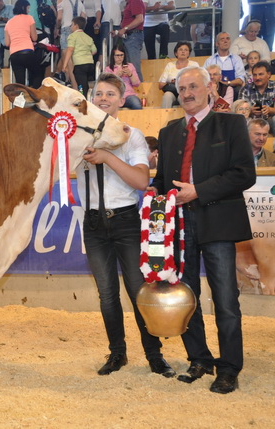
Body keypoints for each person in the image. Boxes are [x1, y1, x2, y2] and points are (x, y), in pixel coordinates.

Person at [150, 66, 255, 394]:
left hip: (219, 223)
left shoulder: (233, 124)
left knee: (225, 299)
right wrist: (151, 196)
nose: (187, 94)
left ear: (210, 87)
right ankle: (199, 358)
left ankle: (229, 368)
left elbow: (244, 174)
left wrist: (198, 191)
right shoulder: (168, 132)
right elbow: (162, 181)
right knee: (186, 296)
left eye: (194, 87)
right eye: (182, 89)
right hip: (179, 226)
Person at [77, 72, 174, 378]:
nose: (103, 99)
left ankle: (154, 354)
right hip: (92, 222)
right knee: (106, 294)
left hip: (125, 220)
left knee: (138, 291)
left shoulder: (132, 135)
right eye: (98, 94)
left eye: (109, 94)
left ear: (121, 101)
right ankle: (117, 353)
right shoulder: (77, 135)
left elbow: (142, 180)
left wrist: (107, 156)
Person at [5, 0, 43, 88]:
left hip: (14, 55)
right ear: (23, 7)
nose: (29, 10)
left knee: (19, 82)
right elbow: (34, 38)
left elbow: (7, 43)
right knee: (38, 74)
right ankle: (32, 93)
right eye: (28, 8)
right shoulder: (29, 18)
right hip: (27, 52)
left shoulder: (9, 23)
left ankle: (21, 100)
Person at [63, 16, 97, 98]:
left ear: (76, 26)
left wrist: (64, 65)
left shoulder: (72, 36)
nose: (71, 27)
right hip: (90, 65)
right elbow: (94, 50)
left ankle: (83, 100)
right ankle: (88, 97)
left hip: (79, 65)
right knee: (85, 84)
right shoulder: (88, 37)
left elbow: (70, 50)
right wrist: (86, 55)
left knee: (81, 87)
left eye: (72, 25)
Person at [158, 41, 199, 108]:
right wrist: (172, 82)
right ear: (176, 53)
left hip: (188, 92)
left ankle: (189, 117)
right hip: (173, 92)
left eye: (186, 50)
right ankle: (165, 118)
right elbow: (160, 85)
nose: (183, 52)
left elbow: (199, 81)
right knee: (167, 96)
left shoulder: (194, 65)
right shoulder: (170, 65)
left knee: (182, 97)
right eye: (180, 50)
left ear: (188, 53)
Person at [240, 61, 275, 132]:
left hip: (270, 119)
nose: (257, 77)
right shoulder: (245, 89)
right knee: (243, 121)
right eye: (255, 75)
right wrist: (249, 111)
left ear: (268, 74)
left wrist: (270, 110)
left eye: (260, 74)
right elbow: (239, 111)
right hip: (252, 120)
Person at [104, 43, 141, 109]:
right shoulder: (108, 69)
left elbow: (137, 84)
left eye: (122, 55)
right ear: (113, 56)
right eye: (117, 55)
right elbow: (106, 86)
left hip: (128, 95)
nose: (120, 57)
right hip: (114, 96)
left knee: (136, 103)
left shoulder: (130, 66)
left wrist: (130, 74)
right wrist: (116, 76)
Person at [55, 0, 84, 85]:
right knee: (74, 56)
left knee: (66, 55)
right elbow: (84, 17)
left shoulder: (62, 3)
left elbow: (59, 18)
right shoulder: (80, 3)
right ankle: (73, 80)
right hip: (78, 30)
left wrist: (57, 27)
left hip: (66, 29)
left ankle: (69, 79)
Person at [115, 0, 145, 81]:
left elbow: (139, 19)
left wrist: (125, 28)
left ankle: (140, 91)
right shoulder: (129, 3)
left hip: (133, 36)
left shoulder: (135, 1)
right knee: (129, 66)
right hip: (129, 36)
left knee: (134, 67)